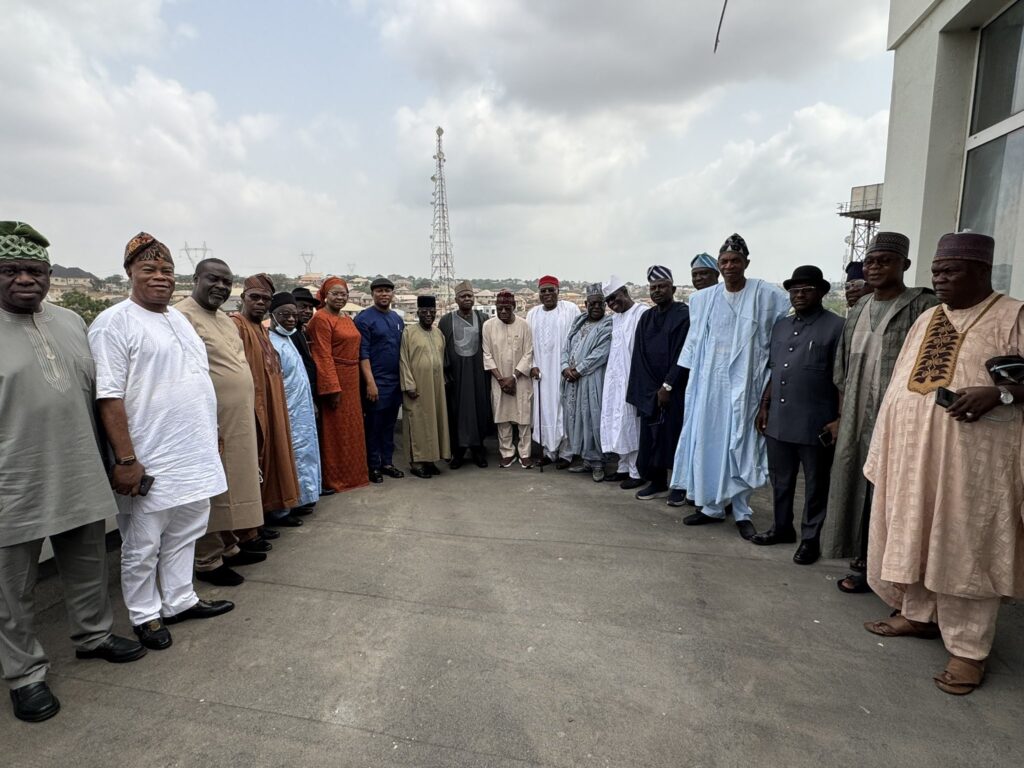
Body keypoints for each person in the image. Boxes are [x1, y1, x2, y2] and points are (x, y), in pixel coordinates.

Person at [862, 232, 1024, 696]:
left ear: (982, 271)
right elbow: (902, 383)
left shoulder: (1013, 314)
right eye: (936, 270)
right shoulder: (928, 317)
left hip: (974, 466)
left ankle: (969, 649)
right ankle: (918, 615)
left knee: (964, 546)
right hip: (915, 456)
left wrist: (1000, 394)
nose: (940, 278)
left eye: (951, 270)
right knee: (915, 530)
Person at [0, 222, 145, 723]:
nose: (25, 279)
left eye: (35, 270)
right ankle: (25, 674)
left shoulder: (70, 321)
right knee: (11, 588)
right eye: (11, 270)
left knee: (87, 563)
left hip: (79, 467)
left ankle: (94, 636)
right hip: (13, 481)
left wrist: (118, 459)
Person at [89, 232, 232, 653]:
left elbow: (196, 382)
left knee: (187, 530)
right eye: (148, 269)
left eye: (166, 270)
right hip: (149, 457)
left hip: (193, 451)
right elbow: (109, 397)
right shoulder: (114, 323)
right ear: (129, 273)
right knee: (142, 542)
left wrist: (212, 434)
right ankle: (144, 614)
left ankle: (179, 599)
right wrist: (126, 459)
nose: (160, 277)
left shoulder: (179, 320)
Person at [821, 232, 939, 593]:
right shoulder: (859, 309)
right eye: (870, 262)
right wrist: (840, 417)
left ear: (904, 264)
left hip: (900, 420)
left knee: (891, 494)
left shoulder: (924, 307)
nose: (874, 268)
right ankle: (863, 561)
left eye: (885, 261)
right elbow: (842, 372)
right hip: (856, 417)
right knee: (855, 486)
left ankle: (895, 574)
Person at [671, 234, 790, 539]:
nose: (729, 266)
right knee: (708, 442)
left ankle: (741, 511)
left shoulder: (766, 295)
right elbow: (693, 343)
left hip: (746, 386)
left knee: (741, 446)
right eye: (724, 261)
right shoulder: (703, 299)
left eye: (735, 261)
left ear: (746, 263)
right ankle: (710, 507)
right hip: (710, 386)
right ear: (719, 265)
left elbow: (779, 335)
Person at [177, 258, 267, 587]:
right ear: (195, 279)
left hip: (236, 419)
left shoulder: (225, 320)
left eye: (227, 282)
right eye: (213, 279)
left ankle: (229, 545)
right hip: (209, 422)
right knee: (211, 490)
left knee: (235, 482)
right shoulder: (181, 317)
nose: (221, 286)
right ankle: (207, 559)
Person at [752, 266, 844, 564]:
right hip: (779, 418)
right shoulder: (781, 326)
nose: (799, 295)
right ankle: (781, 528)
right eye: (794, 290)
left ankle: (810, 539)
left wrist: (840, 417)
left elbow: (843, 378)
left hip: (816, 421)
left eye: (806, 290)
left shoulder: (837, 327)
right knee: (780, 479)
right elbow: (776, 370)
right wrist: (764, 406)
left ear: (821, 293)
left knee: (816, 484)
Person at [232, 274, 302, 528]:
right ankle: (251, 527)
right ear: (243, 298)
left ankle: (271, 513)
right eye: (255, 297)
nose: (260, 302)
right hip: (252, 407)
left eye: (265, 299)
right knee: (256, 462)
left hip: (272, 405)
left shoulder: (261, 329)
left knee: (275, 457)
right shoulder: (236, 325)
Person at [627, 266, 690, 504]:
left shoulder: (683, 315)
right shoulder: (647, 317)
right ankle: (657, 482)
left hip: (675, 389)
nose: (657, 291)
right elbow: (639, 356)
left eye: (662, 286)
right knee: (652, 439)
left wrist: (668, 385)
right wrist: (649, 390)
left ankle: (680, 485)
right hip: (651, 391)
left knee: (675, 437)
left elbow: (683, 354)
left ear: (673, 289)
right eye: (653, 287)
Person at [305, 277, 370, 492]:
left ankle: (355, 475)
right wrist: (332, 388)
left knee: (353, 428)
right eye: (335, 293)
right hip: (336, 379)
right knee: (336, 431)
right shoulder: (321, 319)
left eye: (344, 294)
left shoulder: (346, 318)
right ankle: (336, 479)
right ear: (325, 296)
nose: (340, 297)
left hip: (352, 378)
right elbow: (322, 355)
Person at [269, 293, 322, 513]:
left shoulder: (289, 338)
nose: (290, 319)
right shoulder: (270, 342)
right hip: (287, 410)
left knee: (305, 453)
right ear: (272, 315)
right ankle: (288, 506)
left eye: (293, 315)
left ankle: (304, 497)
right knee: (292, 456)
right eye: (284, 315)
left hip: (302, 409)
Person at [600, 276, 649, 489]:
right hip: (615, 380)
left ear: (625, 292)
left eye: (614, 297)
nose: (612, 303)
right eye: (608, 301)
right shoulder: (616, 318)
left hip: (634, 379)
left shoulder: (642, 313)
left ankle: (637, 472)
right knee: (617, 423)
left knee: (632, 425)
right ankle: (623, 468)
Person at [562, 284, 614, 481]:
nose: (596, 307)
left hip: (592, 380)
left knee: (593, 419)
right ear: (586, 304)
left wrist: (578, 370)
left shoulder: (608, 325)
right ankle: (586, 460)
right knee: (577, 420)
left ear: (605, 305)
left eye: (600, 303)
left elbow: (600, 353)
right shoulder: (578, 322)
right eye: (592, 304)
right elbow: (566, 347)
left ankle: (598, 463)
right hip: (572, 382)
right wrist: (565, 367)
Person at [355, 277, 405, 483]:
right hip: (376, 382)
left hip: (395, 382)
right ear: (372, 294)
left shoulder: (397, 319)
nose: (384, 294)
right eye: (379, 291)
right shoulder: (364, 319)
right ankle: (373, 466)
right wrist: (370, 383)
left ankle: (387, 463)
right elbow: (363, 353)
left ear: (393, 294)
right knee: (374, 426)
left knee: (389, 425)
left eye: (387, 291)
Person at [527, 276, 579, 468]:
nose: (547, 294)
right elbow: (528, 345)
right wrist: (532, 365)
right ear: (539, 293)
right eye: (543, 291)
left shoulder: (570, 309)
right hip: (541, 373)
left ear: (558, 291)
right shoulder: (532, 314)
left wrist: (572, 366)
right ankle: (549, 452)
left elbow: (577, 339)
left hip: (563, 370)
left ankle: (566, 453)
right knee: (545, 411)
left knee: (564, 410)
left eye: (551, 290)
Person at [438, 281, 491, 468]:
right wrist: (445, 372)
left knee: (479, 409)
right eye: (463, 296)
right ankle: (458, 451)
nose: (467, 299)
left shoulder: (483, 318)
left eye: (470, 296)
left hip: (478, 375)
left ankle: (478, 448)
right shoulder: (446, 321)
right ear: (456, 299)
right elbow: (441, 348)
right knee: (456, 411)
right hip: (456, 376)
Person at [482, 290, 536, 468]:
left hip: (521, 379)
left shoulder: (524, 325)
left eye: (507, 308)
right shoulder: (488, 326)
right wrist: (501, 380)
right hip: (498, 380)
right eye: (499, 308)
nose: (503, 312)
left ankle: (525, 453)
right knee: (502, 417)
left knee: (523, 417)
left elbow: (528, 354)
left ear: (514, 306)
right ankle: (507, 452)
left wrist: (513, 377)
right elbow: (487, 355)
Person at [400, 296, 450, 478]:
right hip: (417, 386)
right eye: (424, 311)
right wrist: (409, 384)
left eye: (432, 311)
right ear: (418, 312)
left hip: (436, 387)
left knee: (435, 422)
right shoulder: (409, 332)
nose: (429, 314)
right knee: (417, 422)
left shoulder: (438, 334)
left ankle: (430, 460)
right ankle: (416, 462)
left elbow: (442, 360)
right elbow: (403, 360)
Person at [289, 286, 320, 399]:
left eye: (310, 308)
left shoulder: (302, 331)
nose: (308, 311)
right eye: (303, 307)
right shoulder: (288, 334)